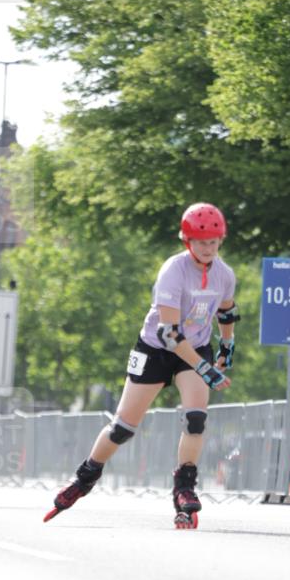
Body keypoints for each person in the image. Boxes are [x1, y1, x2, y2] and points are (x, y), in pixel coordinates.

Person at [43, 202, 240, 528]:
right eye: (201, 243)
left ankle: (184, 487)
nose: (208, 249)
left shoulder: (224, 274)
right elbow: (169, 334)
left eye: (213, 242)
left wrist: (227, 345)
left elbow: (227, 310)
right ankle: (85, 476)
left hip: (196, 347)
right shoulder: (173, 271)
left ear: (221, 240)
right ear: (187, 241)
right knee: (123, 428)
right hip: (157, 349)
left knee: (196, 419)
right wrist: (205, 369)